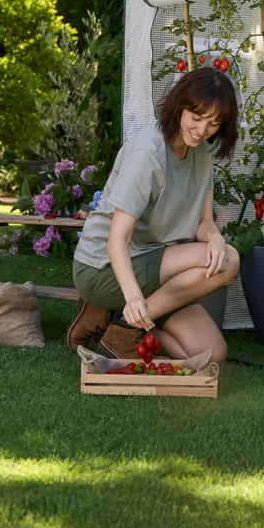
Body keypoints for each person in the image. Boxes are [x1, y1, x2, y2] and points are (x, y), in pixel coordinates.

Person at [66, 66, 241, 363]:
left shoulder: (202, 152)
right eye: (196, 117)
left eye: (213, 123)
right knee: (231, 261)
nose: (202, 130)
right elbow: (117, 239)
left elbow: (204, 222)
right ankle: (126, 322)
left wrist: (214, 239)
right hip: (102, 268)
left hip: (157, 269)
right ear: (179, 106)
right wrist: (133, 296)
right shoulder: (148, 154)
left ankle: (118, 320)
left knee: (212, 355)